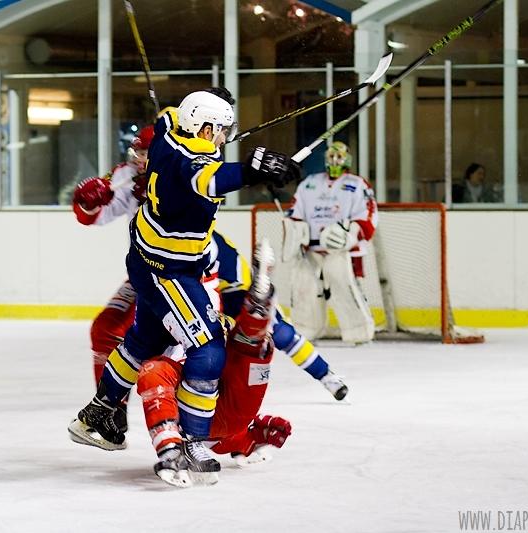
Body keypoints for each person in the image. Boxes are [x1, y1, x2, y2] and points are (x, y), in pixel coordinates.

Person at [70, 88, 300, 480]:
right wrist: (252, 170)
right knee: (207, 350)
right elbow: (208, 178)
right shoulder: (191, 162)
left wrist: (210, 101)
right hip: (170, 270)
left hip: (145, 257)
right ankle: (194, 442)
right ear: (205, 128)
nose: (223, 138)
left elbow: (170, 115)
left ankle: (99, 410)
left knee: (144, 340)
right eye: (221, 130)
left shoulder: (168, 129)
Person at [138, 240, 292, 487]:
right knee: (156, 371)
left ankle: (257, 313)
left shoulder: (179, 277)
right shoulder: (150, 281)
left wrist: (248, 437)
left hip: (219, 392)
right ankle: (172, 449)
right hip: (195, 396)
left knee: (253, 349)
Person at [284, 141, 378, 345]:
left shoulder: (357, 184)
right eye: (331, 156)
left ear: (347, 159)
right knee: (305, 287)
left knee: (346, 288)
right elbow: (295, 212)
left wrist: (351, 236)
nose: (335, 161)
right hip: (312, 249)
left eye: (339, 157)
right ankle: (305, 330)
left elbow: (368, 215)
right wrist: (296, 232)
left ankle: (359, 332)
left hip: (343, 250)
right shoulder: (310, 183)